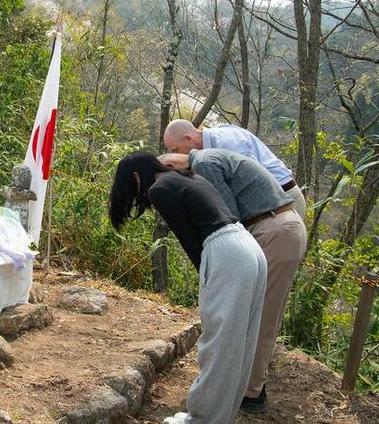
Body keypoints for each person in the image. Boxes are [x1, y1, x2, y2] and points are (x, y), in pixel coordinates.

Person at [109, 151, 267, 424]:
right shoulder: (188, 176)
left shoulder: (159, 189)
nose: (138, 197)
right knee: (239, 343)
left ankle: (202, 420)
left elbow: (191, 241)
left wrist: (206, 280)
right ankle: (221, 417)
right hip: (249, 247)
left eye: (132, 189)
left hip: (226, 252)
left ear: (136, 177)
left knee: (217, 344)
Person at [159, 149, 307, 412]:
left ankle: (250, 392)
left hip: (272, 229)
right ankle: (243, 387)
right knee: (254, 314)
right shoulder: (210, 157)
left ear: (172, 165)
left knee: (260, 315)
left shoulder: (204, 164)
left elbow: (228, 216)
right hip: (275, 227)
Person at [163, 119, 307, 217]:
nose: (175, 155)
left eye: (175, 150)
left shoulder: (227, 141)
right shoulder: (209, 150)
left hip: (284, 199)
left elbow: (253, 181)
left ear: (189, 138)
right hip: (267, 206)